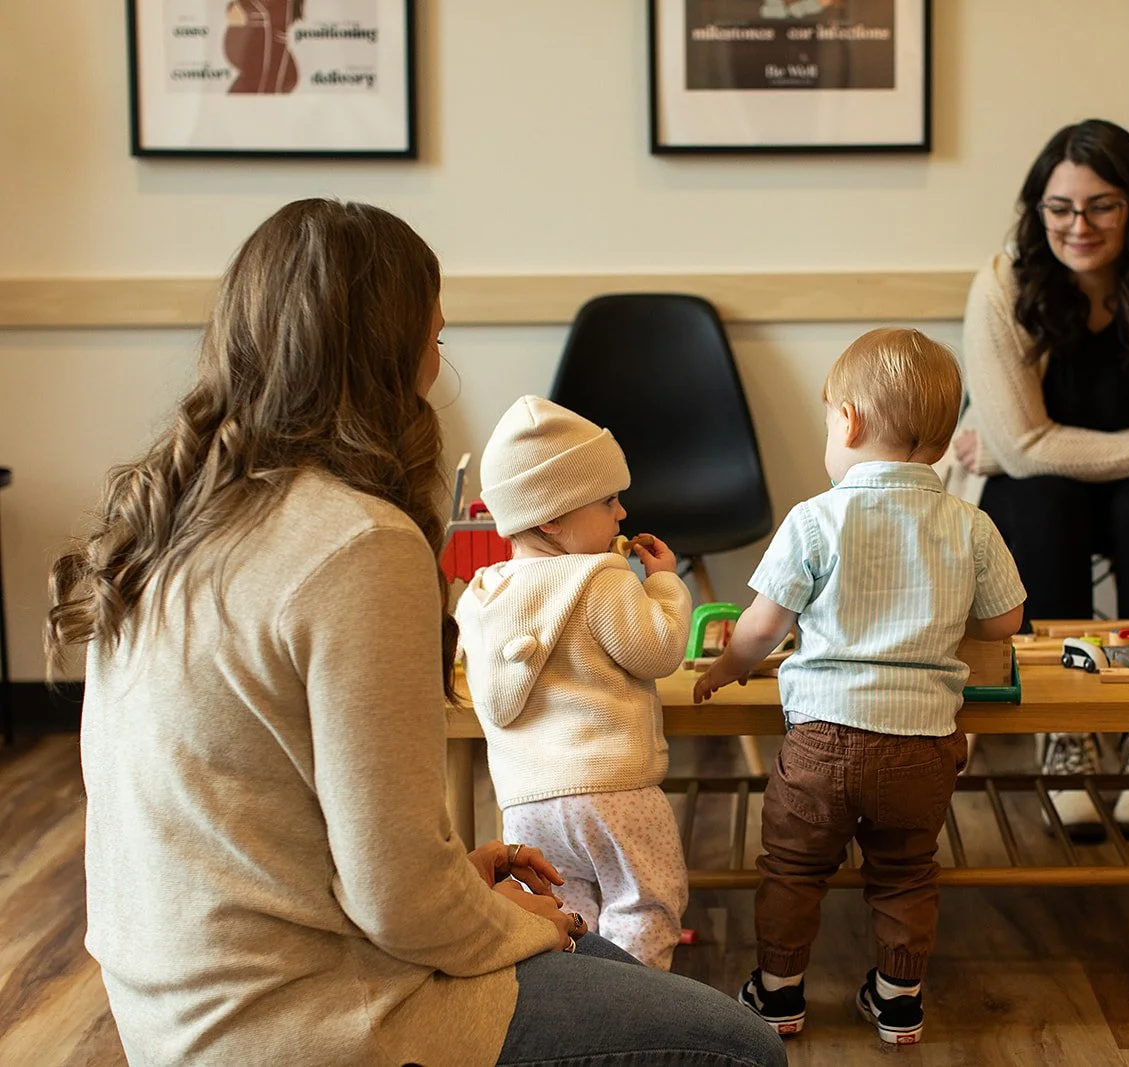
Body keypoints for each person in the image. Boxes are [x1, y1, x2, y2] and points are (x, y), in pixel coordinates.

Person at [46, 199, 786, 1067]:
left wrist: (451, 886)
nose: (440, 369)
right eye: (435, 341)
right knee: (737, 1048)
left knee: (590, 947)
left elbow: (270, 826)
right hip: (303, 1021)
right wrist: (482, 919)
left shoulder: (163, 522)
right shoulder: (359, 541)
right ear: (386, 358)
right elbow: (394, 898)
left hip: (172, 1013)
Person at [694, 328, 1027, 1046]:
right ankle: (898, 998)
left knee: (791, 868)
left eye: (825, 423)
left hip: (822, 740)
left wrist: (728, 667)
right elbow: (1005, 621)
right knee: (907, 872)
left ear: (847, 420)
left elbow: (760, 625)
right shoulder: (970, 523)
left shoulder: (815, 518)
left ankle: (779, 994)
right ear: (940, 440)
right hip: (923, 745)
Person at [943, 119, 1129, 838]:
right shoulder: (1003, 284)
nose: (1079, 226)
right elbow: (1028, 445)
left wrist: (1028, 448)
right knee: (1042, 498)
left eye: (1102, 205)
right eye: (1060, 208)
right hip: (1039, 496)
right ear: (1037, 210)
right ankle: (1064, 726)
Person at [455, 395, 692, 972]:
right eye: (608, 500)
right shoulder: (599, 580)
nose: (621, 515)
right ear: (552, 519)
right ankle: (639, 1012)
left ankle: (584, 1008)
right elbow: (659, 650)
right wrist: (662, 586)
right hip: (615, 793)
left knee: (561, 916)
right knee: (644, 907)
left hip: (526, 806)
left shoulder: (480, 595)